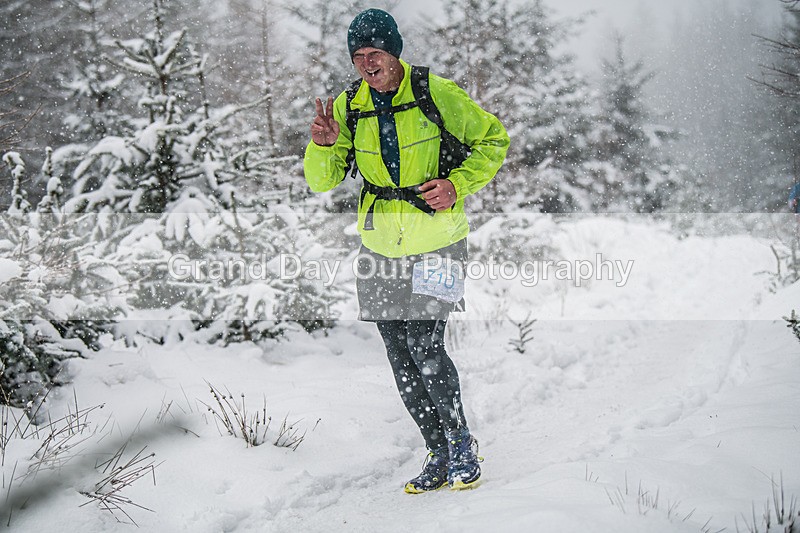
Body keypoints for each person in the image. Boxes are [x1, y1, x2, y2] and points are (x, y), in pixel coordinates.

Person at [303, 8, 509, 493]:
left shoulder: (435, 91)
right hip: (378, 248)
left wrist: (457, 185)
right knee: (399, 355)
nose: (367, 63)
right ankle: (437, 452)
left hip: (438, 243)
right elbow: (321, 181)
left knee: (425, 346)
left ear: (394, 52)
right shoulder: (348, 105)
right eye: (358, 55)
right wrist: (324, 145)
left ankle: (460, 444)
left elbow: (493, 140)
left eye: (375, 52)